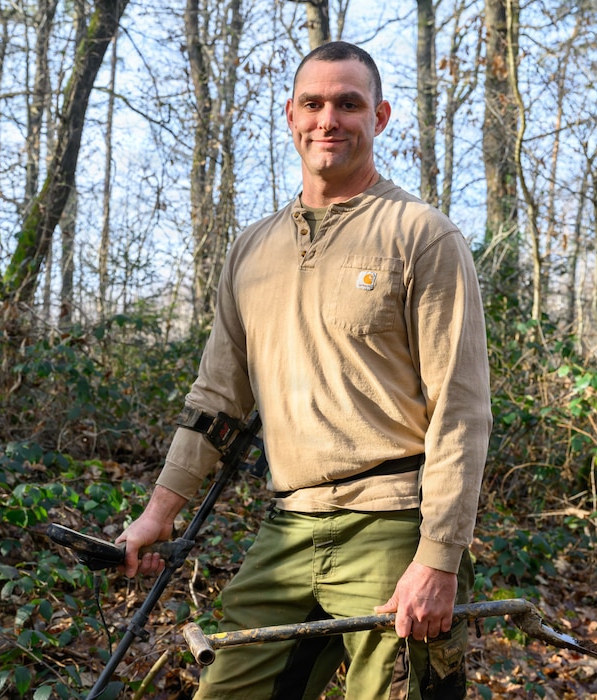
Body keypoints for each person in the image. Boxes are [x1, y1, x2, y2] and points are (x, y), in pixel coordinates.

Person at [117, 41, 492, 699]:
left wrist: (439, 557)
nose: (328, 120)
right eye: (313, 103)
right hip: (288, 526)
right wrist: (159, 511)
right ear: (290, 115)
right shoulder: (252, 249)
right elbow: (217, 397)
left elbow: (460, 411)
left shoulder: (421, 235)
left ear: (379, 117)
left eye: (348, 104)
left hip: (393, 524)